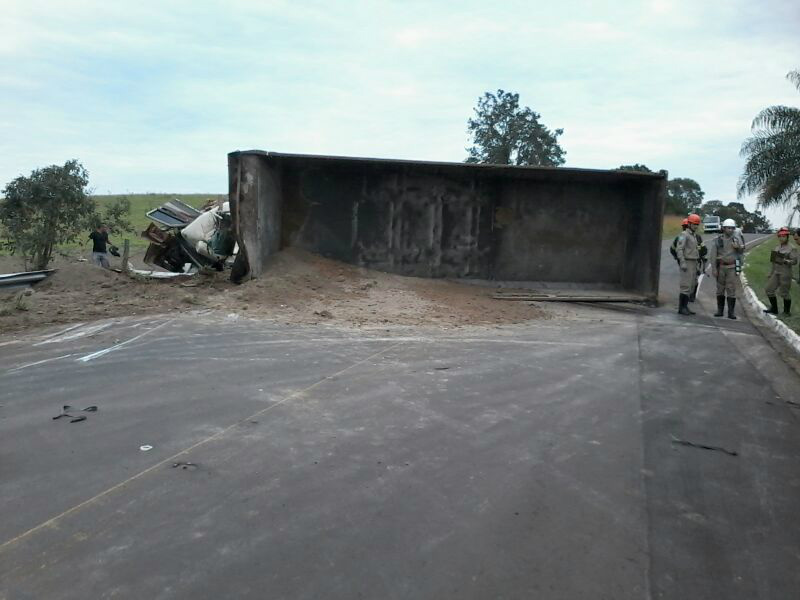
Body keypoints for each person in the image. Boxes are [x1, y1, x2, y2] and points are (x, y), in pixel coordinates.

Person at [709, 218, 743, 319]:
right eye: (728, 228)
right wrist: (714, 268)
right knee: (720, 289)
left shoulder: (736, 239)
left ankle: (731, 312)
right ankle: (720, 310)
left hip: (732, 267)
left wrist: (738, 247)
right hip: (721, 267)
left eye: (732, 228)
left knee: (731, 288)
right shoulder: (718, 240)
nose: (731, 230)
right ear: (724, 228)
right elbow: (713, 255)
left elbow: (741, 252)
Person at [764, 227, 798, 316]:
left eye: (783, 236)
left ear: (787, 236)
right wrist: (771, 273)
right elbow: (773, 262)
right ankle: (774, 308)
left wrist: (786, 261)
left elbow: (794, 261)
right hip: (776, 272)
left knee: (784, 292)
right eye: (780, 236)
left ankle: (787, 312)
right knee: (769, 289)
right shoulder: (776, 248)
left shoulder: (792, 248)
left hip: (785, 273)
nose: (781, 238)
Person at [675, 213, 702, 315]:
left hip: (694, 262)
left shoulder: (694, 236)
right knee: (685, 286)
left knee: (691, 286)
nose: (696, 226)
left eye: (697, 224)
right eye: (694, 224)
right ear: (689, 224)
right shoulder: (684, 235)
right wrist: (682, 262)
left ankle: (685, 306)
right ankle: (681, 308)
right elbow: (679, 249)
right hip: (687, 261)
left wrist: (698, 266)